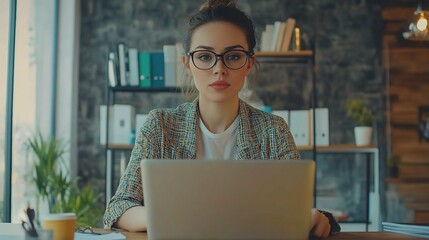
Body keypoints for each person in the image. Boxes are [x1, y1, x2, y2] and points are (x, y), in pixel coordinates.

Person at [103, 0, 340, 238]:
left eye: (233, 56)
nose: (219, 69)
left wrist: (315, 217)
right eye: (205, 57)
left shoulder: (273, 131)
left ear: (249, 63)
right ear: (187, 64)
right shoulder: (160, 126)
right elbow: (118, 208)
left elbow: (295, 212)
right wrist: (169, 216)